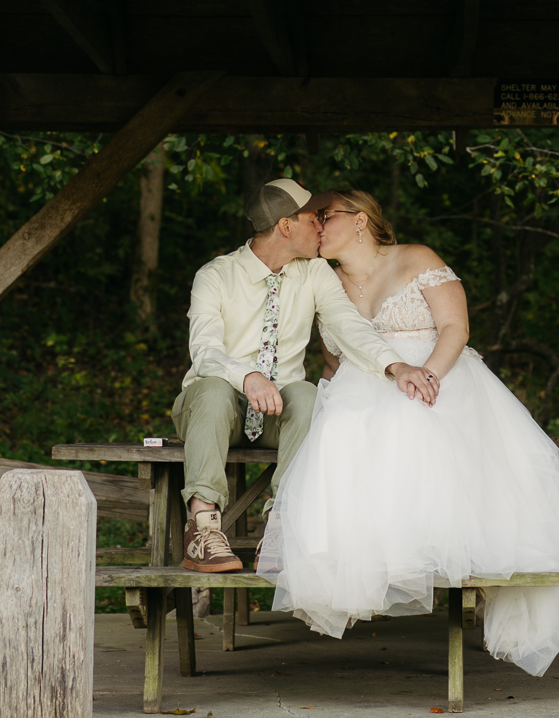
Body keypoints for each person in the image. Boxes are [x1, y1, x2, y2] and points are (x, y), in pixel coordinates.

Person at [257, 189, 559, 677]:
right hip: (359, 387)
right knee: (341, 430)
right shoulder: (319, 279)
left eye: (325, 216)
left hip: (439, 377)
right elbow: (330, 357)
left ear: (362, 219)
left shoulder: (417, 259)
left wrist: (428, 376)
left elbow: (456, 326)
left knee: (411, 420)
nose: (317, 225)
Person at [173, 177, 439, 574]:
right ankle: (202, 528)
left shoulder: (315, 273)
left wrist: (394, 365)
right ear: (286, 226)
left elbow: (350, 327)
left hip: (278, 413)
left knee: (308, 395)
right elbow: (205, 350)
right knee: (213, 389)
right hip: (213, 414)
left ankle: (281, 525)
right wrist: (248, 376)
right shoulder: (215, 275)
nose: (322, 224)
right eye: (313, 216)